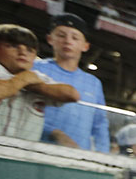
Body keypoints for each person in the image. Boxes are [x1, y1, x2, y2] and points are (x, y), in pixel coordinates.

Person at [34, 14, 110, 151]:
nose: (67, 41)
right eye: (61, 35)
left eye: (75, 38)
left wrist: (103, 156)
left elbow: (99, 124)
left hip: (77, 157)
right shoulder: (36, 69)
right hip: (35, 149)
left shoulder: (93, 83)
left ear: (85, 46)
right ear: (50, 39)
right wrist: (53, 132)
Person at [0, 24, 78, 140]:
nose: (22, 52)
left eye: (30, 50)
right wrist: (22, 80)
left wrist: (33, 84)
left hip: (23, 152)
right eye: (13, 46)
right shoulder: (28, 76)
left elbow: (72, 94)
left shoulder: (36, 77)